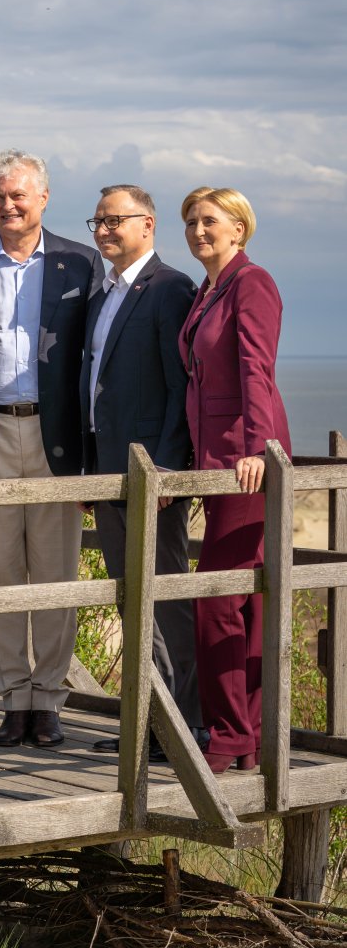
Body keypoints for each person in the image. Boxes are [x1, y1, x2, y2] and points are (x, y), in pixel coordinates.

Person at [0, 149, 103, 748]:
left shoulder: (80, 263)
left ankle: (49, 700)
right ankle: (13, 699)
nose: (8, 206)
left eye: (18, 195)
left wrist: (91, 454)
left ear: (43, 198)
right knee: (0, 573)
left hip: (56, 437)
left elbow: (94, 359)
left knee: (56, 573)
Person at [79, 185, 202, 762]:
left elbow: (181, 386)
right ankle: (148, 723)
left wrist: (169, 469)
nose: (104, 230)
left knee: (167, 598)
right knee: (132, 601)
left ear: (147, 224)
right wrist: (89, 466)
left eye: (115, 220)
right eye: (98, 221)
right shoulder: (103, 292)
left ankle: (186, 727)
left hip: (153, 474)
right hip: (108, 470)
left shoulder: (171, 287)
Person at [179, 187, 291, 773]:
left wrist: (257, 450)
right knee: (245, 597)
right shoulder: (209, 290)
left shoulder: (253, 283)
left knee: (216, 597)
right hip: (215, 462)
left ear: (238, 229)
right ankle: (249, 739)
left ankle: (227, 734)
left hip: (246, 466)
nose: (198, 230)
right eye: (191, 221)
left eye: (209, 220)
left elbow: (256, 370)